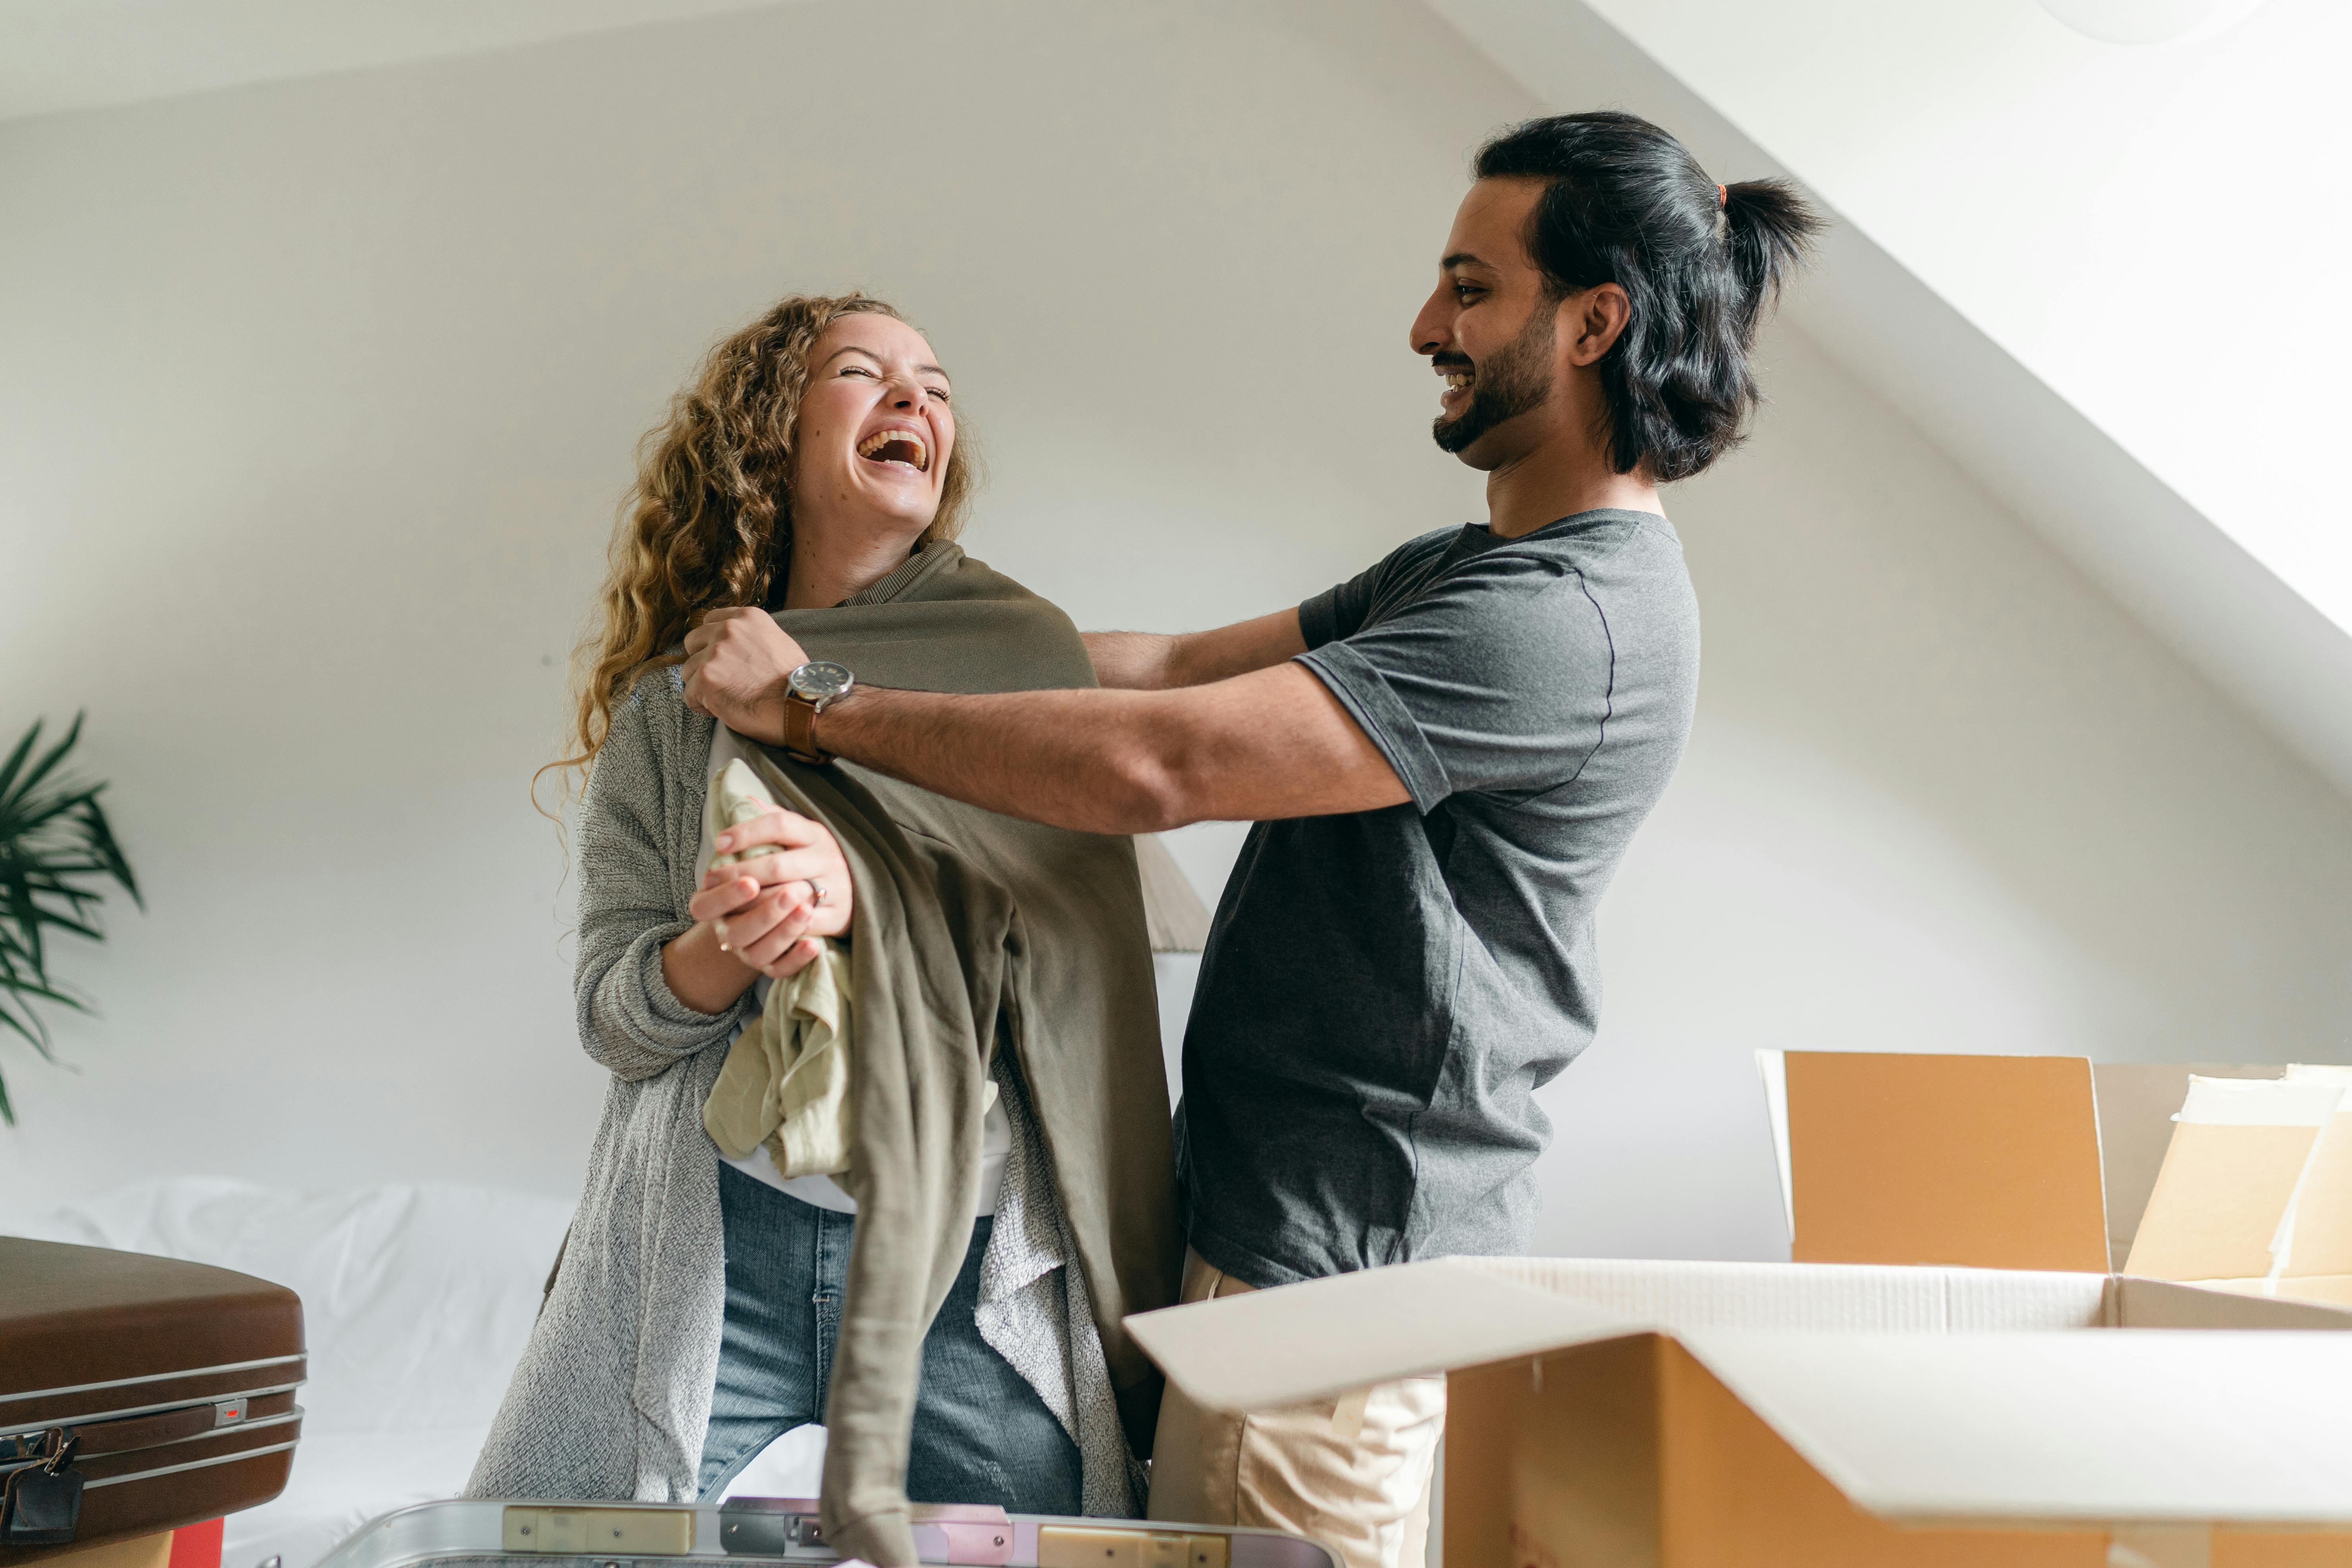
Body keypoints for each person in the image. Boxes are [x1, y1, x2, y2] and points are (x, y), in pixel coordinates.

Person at [679, 113, 1821, 1566]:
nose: (1427, 325)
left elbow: (1168, 762)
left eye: (1471, 288)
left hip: (1331, 1288)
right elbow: (1163, 671)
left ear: (1596, 322)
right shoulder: (1472, 567)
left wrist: (824, 704)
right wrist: (869, 637)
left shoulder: (1565, 622)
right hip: (1275, 1244)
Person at [468, 294, 1178, 1548]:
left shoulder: (1026, 661)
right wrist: (718, 952)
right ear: (774, 437)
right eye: (866, 373)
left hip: (961, 1264)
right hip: (716, 1241)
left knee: (1078, 1551)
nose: (918, 399)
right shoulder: (668, 715)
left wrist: (868, 898)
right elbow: (615, 1022)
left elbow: (1080, 967)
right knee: (551, 1544)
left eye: (937, 386)